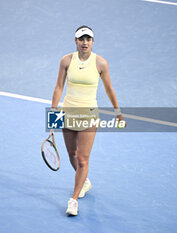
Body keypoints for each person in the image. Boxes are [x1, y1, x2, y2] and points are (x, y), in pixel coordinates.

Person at [51, 25, 125, 216]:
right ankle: (84, 181)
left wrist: (118, 113)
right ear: (75, 41)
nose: (84, 43)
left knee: (83, 159)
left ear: (92, 42)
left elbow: (109, 89)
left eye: (88, 39)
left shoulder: (101, 63)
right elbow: (58, 87)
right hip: (67, 112)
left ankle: (73, 199)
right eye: (81, 39)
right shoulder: (66, 61)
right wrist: (53, 113)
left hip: (89, 115)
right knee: (71, 155)